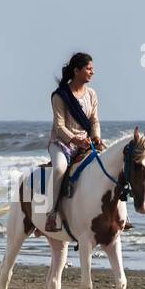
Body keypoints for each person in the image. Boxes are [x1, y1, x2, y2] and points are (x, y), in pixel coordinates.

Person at [45, 52, 104, 233]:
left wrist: (96, 137)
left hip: (85, 142)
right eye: (88, 69)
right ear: (77, 71)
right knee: (60, 168)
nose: (92, 72)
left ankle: (118, 215)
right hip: (61, 143)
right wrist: (75, 139)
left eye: (92, 69)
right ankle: (51, 214)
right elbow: (60, 126)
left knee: (108, 164)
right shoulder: (60, 96)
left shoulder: (92, 94)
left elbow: (94, 120)